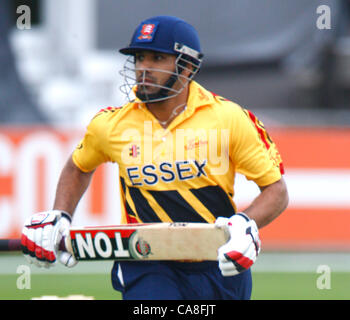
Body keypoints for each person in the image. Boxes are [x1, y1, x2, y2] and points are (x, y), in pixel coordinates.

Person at [21, 15, 289, 300]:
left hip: (219, 262)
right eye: (139, 58)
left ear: (187, 67)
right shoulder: (111, 125)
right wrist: (61, 214)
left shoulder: (229, 119)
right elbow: (78, 167)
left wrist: (245, 224)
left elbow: (276, 191)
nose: (143, 69)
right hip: (146, 259)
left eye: (157, 58)